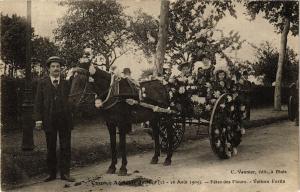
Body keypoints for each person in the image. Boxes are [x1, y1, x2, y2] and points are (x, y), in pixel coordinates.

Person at [34, 56, 75, 182]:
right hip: (49, 120)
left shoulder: (67, 83)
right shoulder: (42, 82)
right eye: (53, 66)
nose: (56, 69)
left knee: (65, 147)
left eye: (58, 66)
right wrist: (38, 119)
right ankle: (51, 174)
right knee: (50, 147)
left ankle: (65, 174)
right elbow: (38, 102)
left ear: (61, 68)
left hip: (64, 120)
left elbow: (73, 100)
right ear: (48, 69)